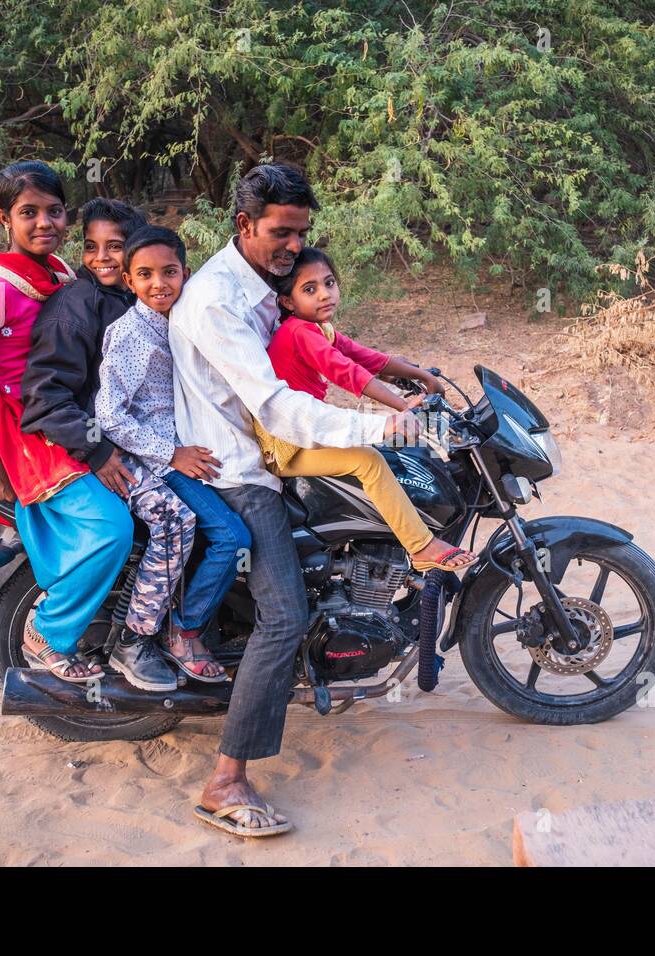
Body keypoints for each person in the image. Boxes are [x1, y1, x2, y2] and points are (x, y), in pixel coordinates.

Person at [169, 164, 424, 837]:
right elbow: (277, 405)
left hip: (260, 458)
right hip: (238, 471)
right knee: (284, 615)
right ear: (244, 225)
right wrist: (376, 428)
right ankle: (225, 782)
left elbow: (328, 349)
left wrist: (400, 380)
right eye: (280, 233)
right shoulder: (218, 301)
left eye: (302, 234)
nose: (292, 246)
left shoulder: (261, 286)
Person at [0, 161, 133, 685]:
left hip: (72, 417)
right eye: (28, 213)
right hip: (30, 435)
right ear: (4, 219)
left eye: (54, 211)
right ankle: (50, 631)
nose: (44, 223)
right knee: (111, 529)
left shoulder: (60, 271)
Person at [95, 225, 250, 690]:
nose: (158, 283)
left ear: (187, 272)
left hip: (184, 451)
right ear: (128, 280)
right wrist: (172, 454)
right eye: (145, 275)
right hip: (150, 461)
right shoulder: (130, 335)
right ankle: (164, 631)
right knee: (229, 536)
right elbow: (109, 415)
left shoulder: (183, 318)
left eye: (169, 272)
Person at [262, 246, 477, 572]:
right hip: (288, 445)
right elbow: (345, 372)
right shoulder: (298, 333)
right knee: (370, 461)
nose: (324, 294)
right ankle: (420, 546)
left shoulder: (319, 329)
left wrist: (419, 375)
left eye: (329, 283)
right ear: (288, 302)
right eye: (310, 289)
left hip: (306, 431)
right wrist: (401, 406)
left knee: (397, 448)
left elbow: (364, 357)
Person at [20, 197, 147, 500]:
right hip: (103, 444)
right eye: (91, 246)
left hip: (142, 434)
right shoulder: (75, 306)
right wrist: (96, 449)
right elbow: (45, 397)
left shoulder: (136, 295)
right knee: (175, 518)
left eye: (114, 246)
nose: (100, 257)